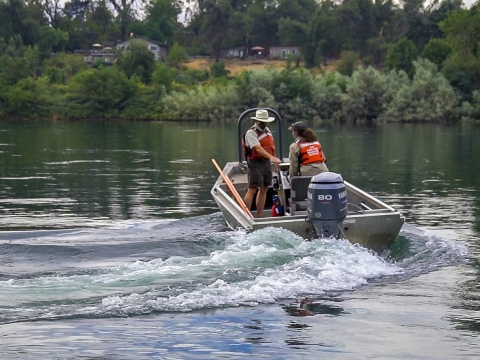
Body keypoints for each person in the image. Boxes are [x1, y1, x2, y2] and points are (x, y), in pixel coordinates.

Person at [243, 109, 282, 218]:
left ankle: (260, 215)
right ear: (258, 121)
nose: (265, 123)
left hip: (266, 162)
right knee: (252, 189)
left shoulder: (267, 130)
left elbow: (270, 147)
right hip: (255, 163)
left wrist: (274, 160)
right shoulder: (251, 133)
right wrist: (272, 158)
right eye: (263, 121)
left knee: (264, 188)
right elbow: (257, 148)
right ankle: (246, 215)